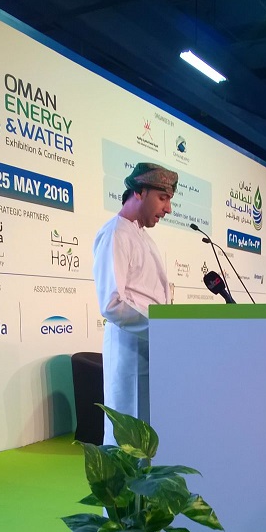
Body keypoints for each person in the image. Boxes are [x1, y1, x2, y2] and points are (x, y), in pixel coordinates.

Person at [93, 162, 178, 444]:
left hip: (151, 346)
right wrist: (162, 328)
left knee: (148, 431)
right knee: (127, 432)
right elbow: (112, 302)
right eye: (163, 198)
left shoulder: (142, 235)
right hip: (129, 349)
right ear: (139, 192)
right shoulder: (115, 233)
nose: (168, 209)